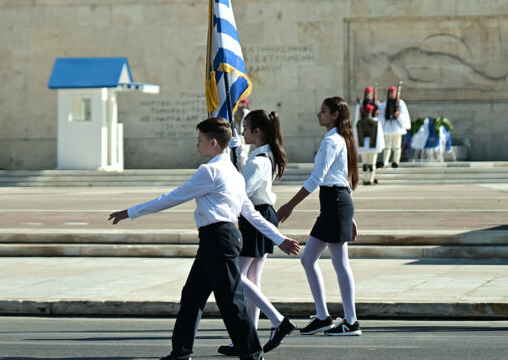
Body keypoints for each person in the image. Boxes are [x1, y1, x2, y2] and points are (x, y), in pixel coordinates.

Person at [108, 117, 300, 360]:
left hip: (218, 238)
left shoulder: (209, 172)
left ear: (212, 143)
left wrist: (130, 212)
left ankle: (251, 353)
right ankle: (181, 352)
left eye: (199, 140)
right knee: (192, 296)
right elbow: (250, 214)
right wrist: (279, 238)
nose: (196, 145)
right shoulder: (234, 173)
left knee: (231, 301)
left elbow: (171, 197)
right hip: (220, 238)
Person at [276, 96, 362, 336]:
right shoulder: (338, 139)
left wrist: (290, 204)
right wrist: (350, 215)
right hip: (335, 204)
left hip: (335, 203)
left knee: (340, 263)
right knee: (308, 259)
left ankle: (351, 321)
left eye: (323, 111)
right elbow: (343, 177)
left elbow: (317, 179)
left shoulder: (332, 141)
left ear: (335, 115)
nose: (318, 114)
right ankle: (323, 317)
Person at [217, 109, 296, 356]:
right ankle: (247, 339)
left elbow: (242, 190)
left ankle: (277, 320)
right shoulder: (263, 155)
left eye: (246, 128)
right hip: (262, 214)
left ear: (257, 131)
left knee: (235, 276)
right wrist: (238, 152)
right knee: (252, 280)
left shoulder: (259, 160)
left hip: (256, 217)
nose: (242, 132)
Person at [377, 86, 411, 168]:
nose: (392, 94)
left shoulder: (400, 103)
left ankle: (396, 162)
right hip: (388, 128)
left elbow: (404, 114)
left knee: (397, 146)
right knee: (387, 147)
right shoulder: (385, 103)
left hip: (397, 128)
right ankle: (385, 162)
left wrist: (398, 116)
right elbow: (381, 114)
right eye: (390, 93)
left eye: (393, 93)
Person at [355, 104, 385, 185]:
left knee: (365, 163)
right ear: (371, 111)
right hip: (373, 144)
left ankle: (365, 179)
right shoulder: (376, 122)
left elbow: (356, 135)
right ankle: (370, 180)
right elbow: (379, 135)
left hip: (363, 145)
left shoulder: (359, 122)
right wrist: (380, 146)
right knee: (372, 164)